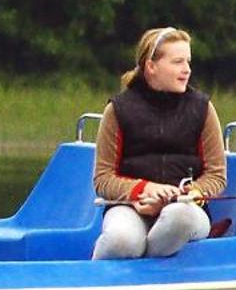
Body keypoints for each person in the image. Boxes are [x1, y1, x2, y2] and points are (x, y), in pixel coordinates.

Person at [92, 27, 227, 260]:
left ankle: (143, 272)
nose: (187, 70)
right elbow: (103, 179)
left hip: (186, 209)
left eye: (188, 62)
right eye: (177, 62)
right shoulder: (117, 110)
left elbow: (216, 176)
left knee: (179, 217)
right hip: (130, 207)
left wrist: (189, 193)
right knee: (122, 240)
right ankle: (91, 284)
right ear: (151, 67)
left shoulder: (203, 109)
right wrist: (143, 191)